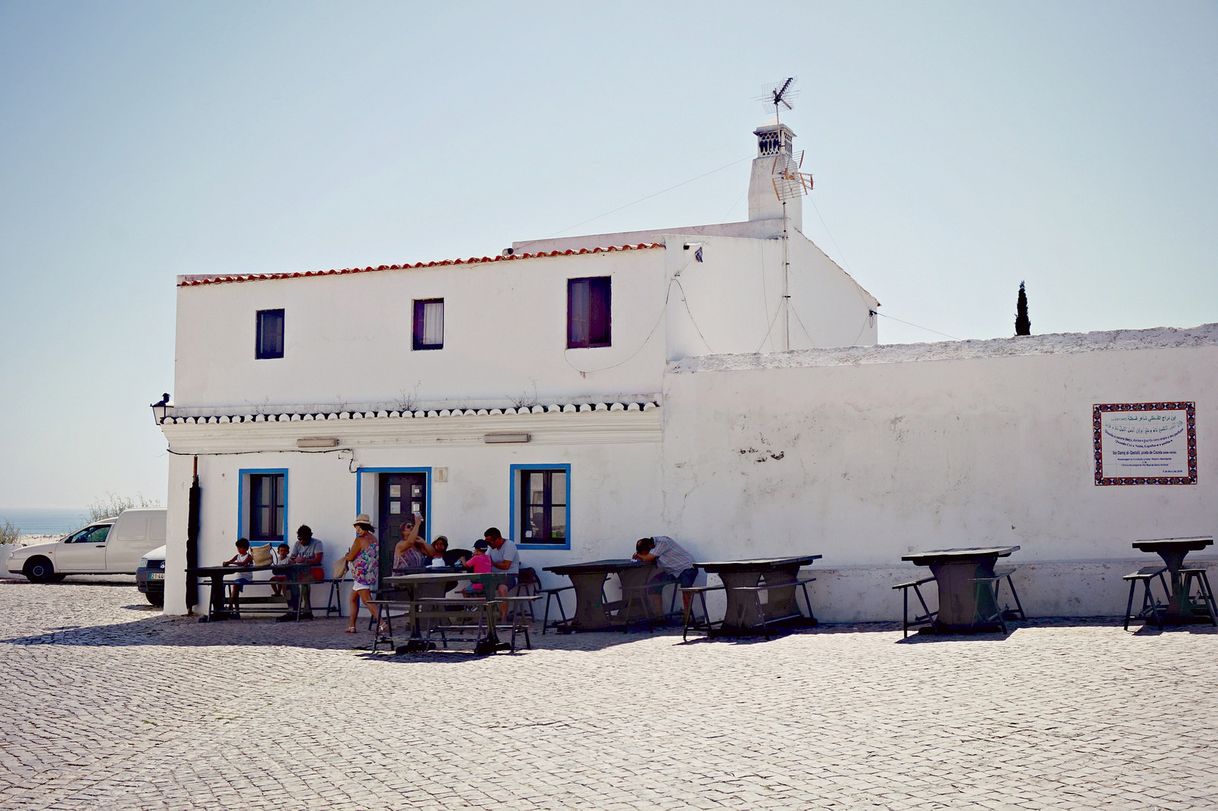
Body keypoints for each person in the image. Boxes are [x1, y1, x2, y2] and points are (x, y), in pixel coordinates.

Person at [337, 513, 383, 635]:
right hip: (369, 572)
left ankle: (382, 623)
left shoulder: (359, 540)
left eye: (358, 527)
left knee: (367, 600)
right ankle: (351, 625)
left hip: (360, 574)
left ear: (362, 526)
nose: (357, 529)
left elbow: (351, 556)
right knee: (353, 598)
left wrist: (347, 556)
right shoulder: (373, 538)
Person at [633, 535, 699, 615]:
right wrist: (641, 557)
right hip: (672, 571)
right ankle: (659, 616)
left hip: (687, 568)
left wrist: (638, 555)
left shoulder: (662, 542)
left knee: (686, 591)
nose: (646, 555)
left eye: (646, 553)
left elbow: (648, 558)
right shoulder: (652, 548)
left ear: (650, 546)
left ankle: (688, 618)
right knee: (653, 585)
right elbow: (648, 559)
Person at [275, 525, 324, 622]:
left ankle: (304, 610)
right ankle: (292, 609)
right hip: (298, 572)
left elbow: (318, 559)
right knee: (287, 582)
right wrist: (294, 560)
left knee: (302, 582)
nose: (301, 541)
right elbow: (292, 558)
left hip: (313, 571)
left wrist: (305, 560)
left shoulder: (317, 543)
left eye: (304, 539)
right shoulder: (297, 544)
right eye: (300, 539)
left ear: (310, 537)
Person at [484, 527, 519, 619]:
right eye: (487, 542)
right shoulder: (491, 548)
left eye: (490, 542)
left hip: (509, 575)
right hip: (494, 576)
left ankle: (504, 618)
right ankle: (487, 616)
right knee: (477, 586)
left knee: (502, 588)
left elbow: (506, 566)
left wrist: (492, 563)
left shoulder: (509, 545)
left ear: (499, 539)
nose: (489, 545)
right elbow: (486, 560)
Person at [222, 538, 254, 606]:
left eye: (240, 548)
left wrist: (231, 562)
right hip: (239, 578)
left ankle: (230, 606)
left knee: (235, 587)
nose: (239, 550)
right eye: (238, 548)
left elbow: (242, 563)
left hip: (246, 578)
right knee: (235, 592)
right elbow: (231, 561)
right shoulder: (237, 556)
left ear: (246, 548)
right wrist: (226, 563)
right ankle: (235, 610)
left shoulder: (249, 557)